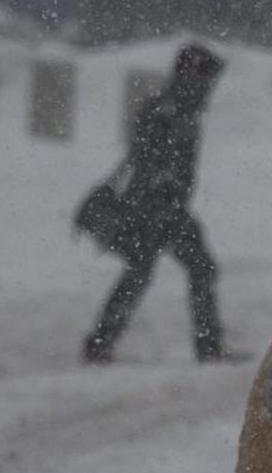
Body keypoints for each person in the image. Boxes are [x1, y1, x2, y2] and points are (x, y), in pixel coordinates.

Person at [81, 44, 229, 364]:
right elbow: (147, 163)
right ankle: (207, 347)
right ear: (192, 77)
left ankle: (100, 343)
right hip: (153, 209)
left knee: (150, 272)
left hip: (165, 208)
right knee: (182, 270)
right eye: (208, 80)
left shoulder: (180, 112)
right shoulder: (166, 112)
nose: (210, 89)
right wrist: (162, 200)